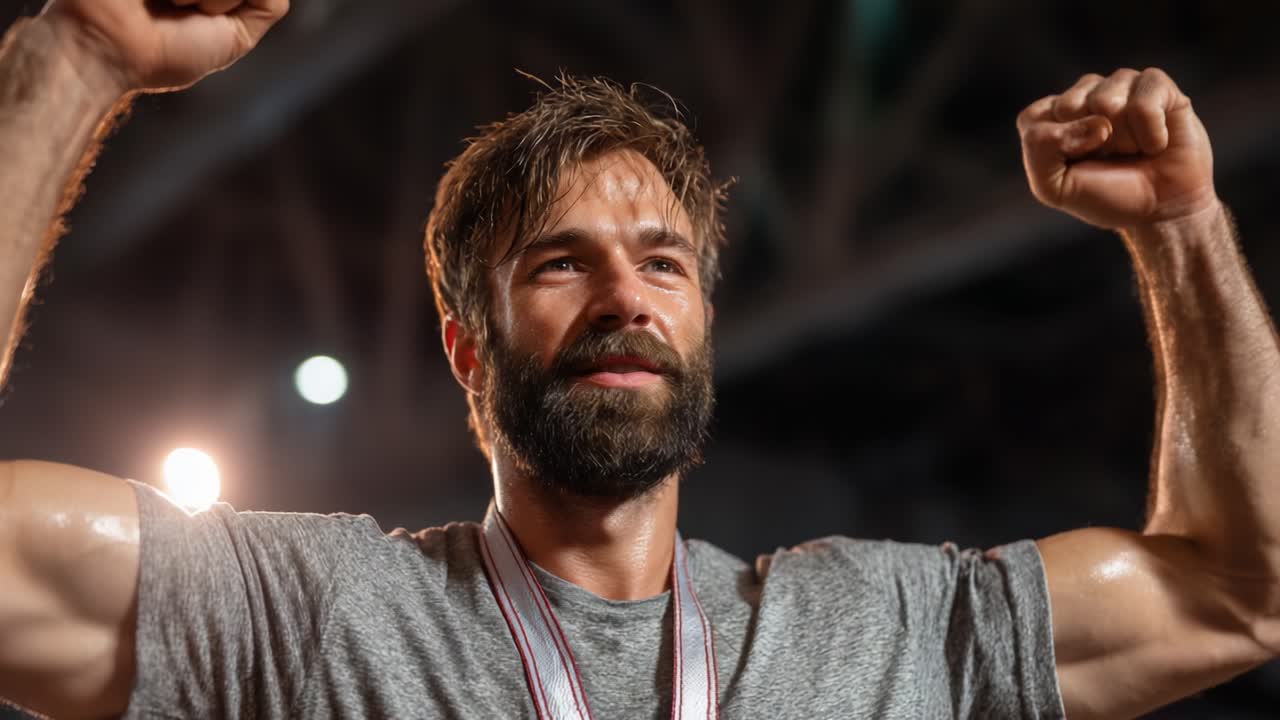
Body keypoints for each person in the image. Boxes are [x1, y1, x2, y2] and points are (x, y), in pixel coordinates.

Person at [1, 1, 1277, 718]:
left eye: (663, 264)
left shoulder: (881, 633)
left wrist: (1179, 230)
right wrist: (73, 60)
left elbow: (1239, 590)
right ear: (463, 347)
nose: (624, 295)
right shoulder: (303, 616)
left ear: (701, 326)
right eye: (559, 264)